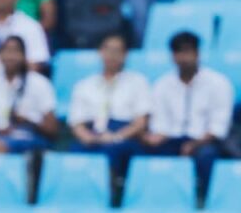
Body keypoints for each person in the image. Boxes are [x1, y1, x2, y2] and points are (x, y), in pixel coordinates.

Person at [143, 31, 234, 197]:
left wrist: (195, 144)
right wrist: (153, 139)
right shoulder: (162, 85)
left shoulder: (218, 83)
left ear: (197, 53)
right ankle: (159, 198)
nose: (183, 57)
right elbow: (160, 124)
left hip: (206, 140)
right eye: (178, 52)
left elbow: (218, 126)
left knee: (207, 154)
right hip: (172, 139)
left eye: (187, 51)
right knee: (143, 152)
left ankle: (204, 197)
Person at [68, 32, 150, 178]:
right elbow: (77, 123)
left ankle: (109, 190)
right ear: (100, 52)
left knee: (111, 152)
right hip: (94, 133)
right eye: (107, 49)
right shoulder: (84, 85)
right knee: (75, 151)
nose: (111, 55)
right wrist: (89, 138)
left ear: (125, 55)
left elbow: (140, 123)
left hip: (124, 135)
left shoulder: (138, 82)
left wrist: (115, 137)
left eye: (117, 51)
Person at [0, 35, 57, 153]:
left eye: (15, 51)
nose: (11, 56)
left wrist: (28, 121)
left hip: (30, 137)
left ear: (24, 56)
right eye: (6, 51)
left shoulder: (40, 83)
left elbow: (52, 130)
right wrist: (1, 131)